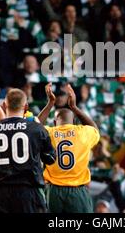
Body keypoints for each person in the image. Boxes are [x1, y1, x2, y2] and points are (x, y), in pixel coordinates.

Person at [0, 78, 56, 213]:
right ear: (26, 107)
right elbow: (51, 159)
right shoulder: (36, 129)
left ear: (5, 105)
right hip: (29, 192)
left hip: (1, 193)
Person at [37, 83, 100, 213]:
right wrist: (75, 107)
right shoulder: (82, 132)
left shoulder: (49, 132)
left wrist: (50, 103)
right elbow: (95, 129)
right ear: (75, 122)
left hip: (53, 191)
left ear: (55, 122)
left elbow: (34, 127)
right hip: (77, 190)